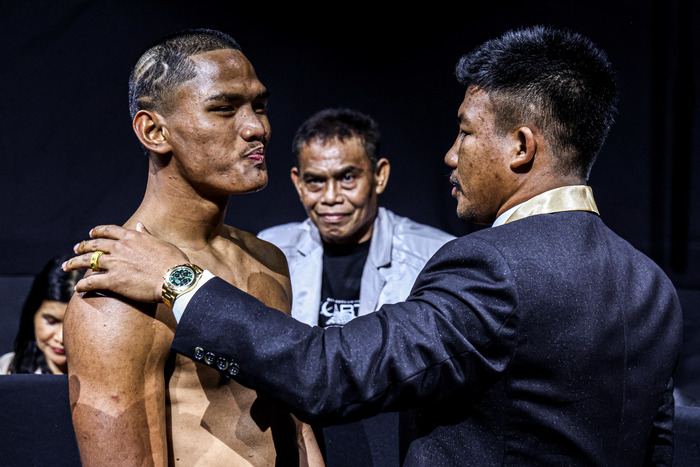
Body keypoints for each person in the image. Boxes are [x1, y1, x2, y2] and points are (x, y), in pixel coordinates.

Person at [66, 26, 683, 465]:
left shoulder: (494, 269)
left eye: (465, 133)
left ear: (521, 146)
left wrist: (177, 281)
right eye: (226, 108)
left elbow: (323, 376)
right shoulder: (651, 285)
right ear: (153, 130)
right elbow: (656, 449)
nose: (450, 155)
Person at [63, 29, 322, 466]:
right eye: (224, 109)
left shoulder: (267, 259)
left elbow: (297, 430)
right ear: (154, 131)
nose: (256, 128)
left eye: (259, 106)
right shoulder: (116, 292)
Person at [257, 108, 453, 464]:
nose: (331, 196)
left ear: (379, 176)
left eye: (347, 177)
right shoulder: (269, 251)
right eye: (315, 181)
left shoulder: (435, 255)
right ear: (297, 182)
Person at [0, 255, 79, 375]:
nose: (61, 337)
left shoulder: (107, 378)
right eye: (51, 322)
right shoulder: (7, 370)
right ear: (33, 315)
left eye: (75, 325)